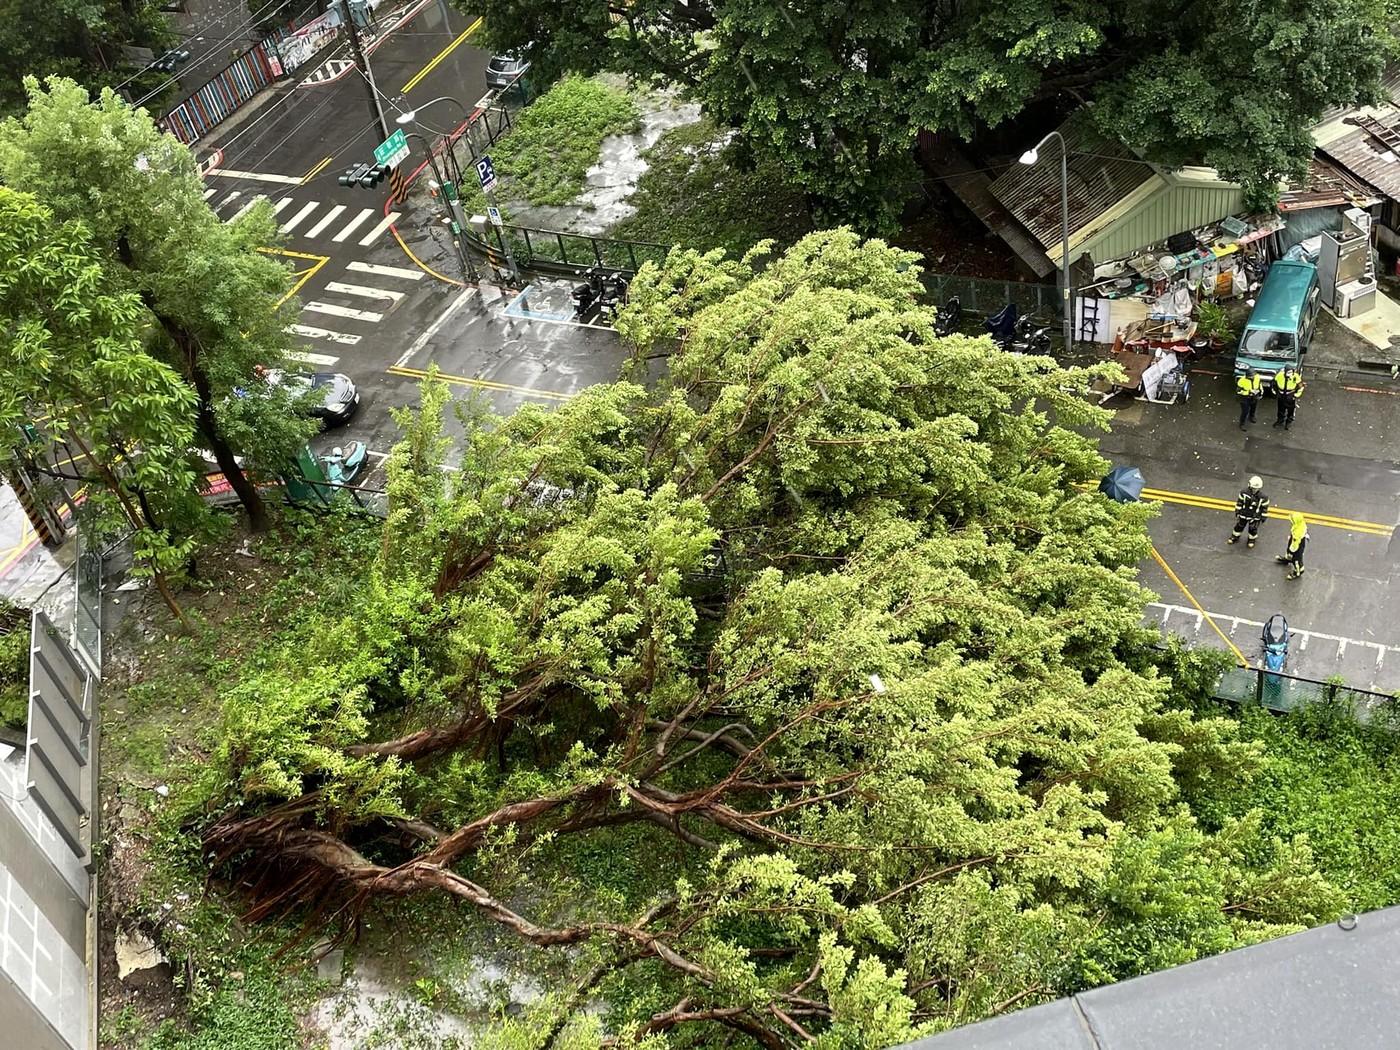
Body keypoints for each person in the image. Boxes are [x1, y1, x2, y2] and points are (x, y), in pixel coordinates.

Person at [1228, 476, 1269, 548]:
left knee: (1253, 529)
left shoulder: (1263, 497)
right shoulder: (1244, 493)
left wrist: (1263, 517)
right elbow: (1239, 503)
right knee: (1239, 526)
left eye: (1256, 488)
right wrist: (1237, 511)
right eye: (1253, 488)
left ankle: (1251, 540)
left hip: (1255, 517)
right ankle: (1235, 536)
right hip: (1244, 514)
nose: (1254, 490)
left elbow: (1264, 508)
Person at [1276, 512, 1309, 580]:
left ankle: (1298, 571)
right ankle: (1288, 559)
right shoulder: (1300, 524)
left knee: (1296, 559)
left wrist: (1292, 550)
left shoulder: (1298, 532)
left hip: (1297, 545)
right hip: (1295, 540)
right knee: (1289, 552)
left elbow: (1295, 544)